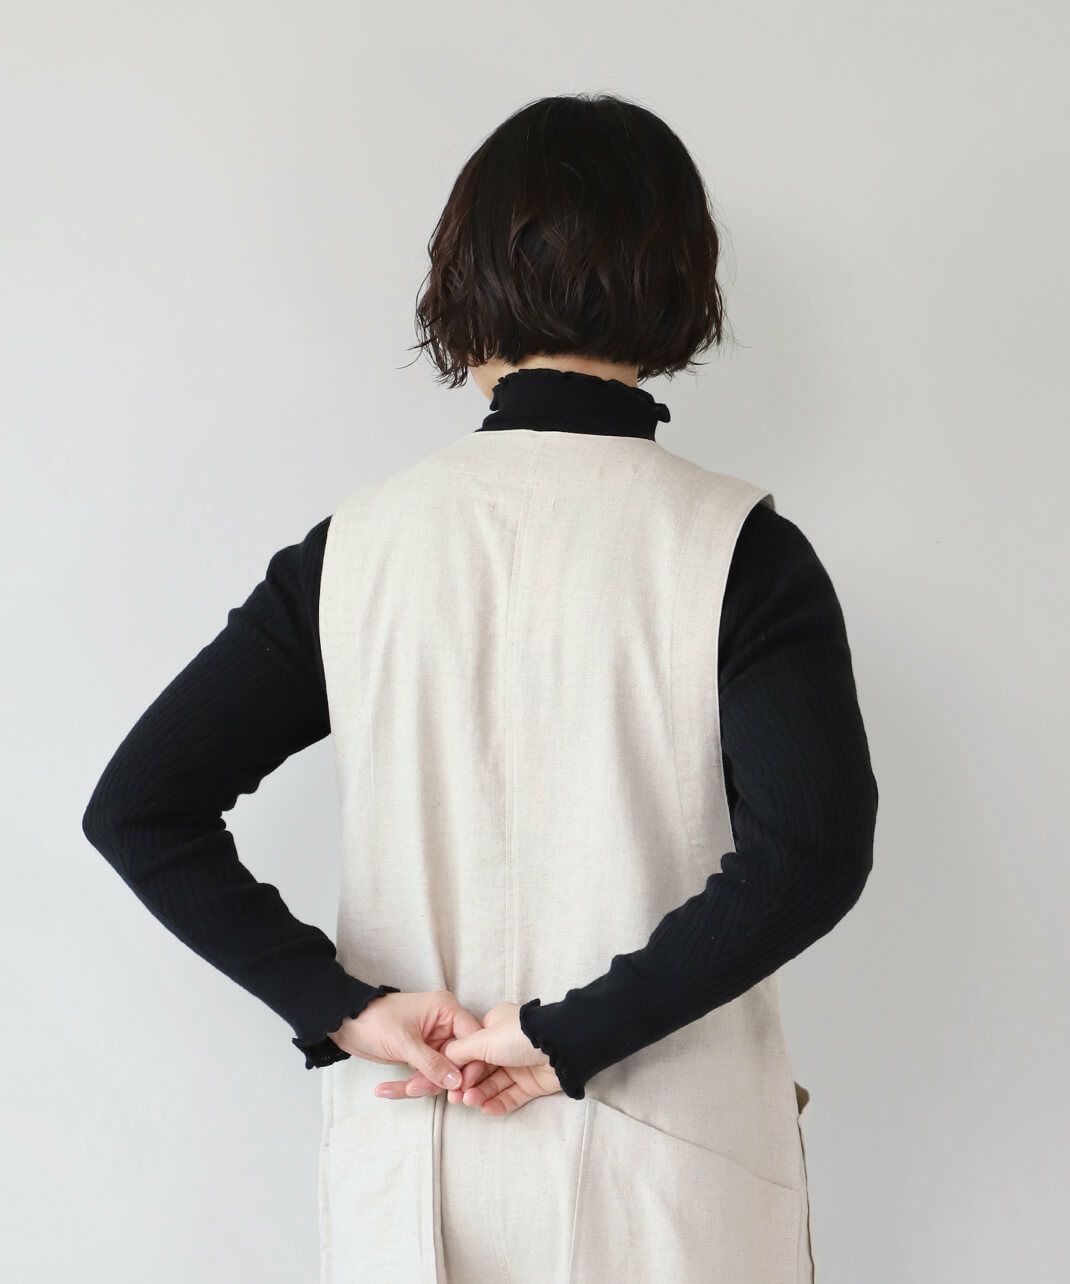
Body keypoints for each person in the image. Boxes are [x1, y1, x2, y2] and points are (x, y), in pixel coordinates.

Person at [83, 92, 877, 1283]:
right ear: (680, 281)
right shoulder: (738, 550)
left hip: (420, 1163)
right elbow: (807, 853)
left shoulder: (355, 552)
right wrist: (567, 1037)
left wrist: (344, 1006)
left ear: (463, 282)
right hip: (672, 1186)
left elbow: (140, 807)